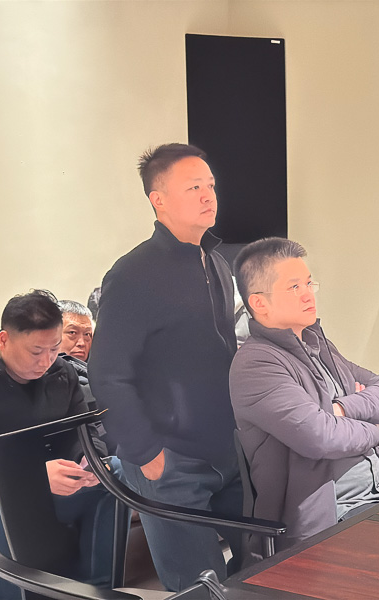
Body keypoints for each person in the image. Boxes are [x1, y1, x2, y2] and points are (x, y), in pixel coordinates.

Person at [88, 143, 242, 591]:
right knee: (199, 587)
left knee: (262, 569)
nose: (208, 195)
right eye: (193, 187)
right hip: (169, 459)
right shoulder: (133, 273)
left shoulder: (217, 262)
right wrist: (145, 453)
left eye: (210, 185)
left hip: (226, 449)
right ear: (158, 199)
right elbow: (108, 373)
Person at [229, 238, 379, 556]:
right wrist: (374, 431)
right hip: (333, 517)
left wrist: (341, 408)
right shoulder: (256, 363)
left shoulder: (317, 344)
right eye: (294, 287)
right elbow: (319, 437)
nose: (308, 294)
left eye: (308, 283)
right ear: (259, 303)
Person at [0, 290, 118, 600]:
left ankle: (96, 591)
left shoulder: (62, 372)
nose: (46, 361)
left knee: (114, 474)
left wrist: (90, 459)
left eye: (55, 348)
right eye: (36, 351)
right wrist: (35, 479)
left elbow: (80, 429)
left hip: (43, 483)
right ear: (5, 339)